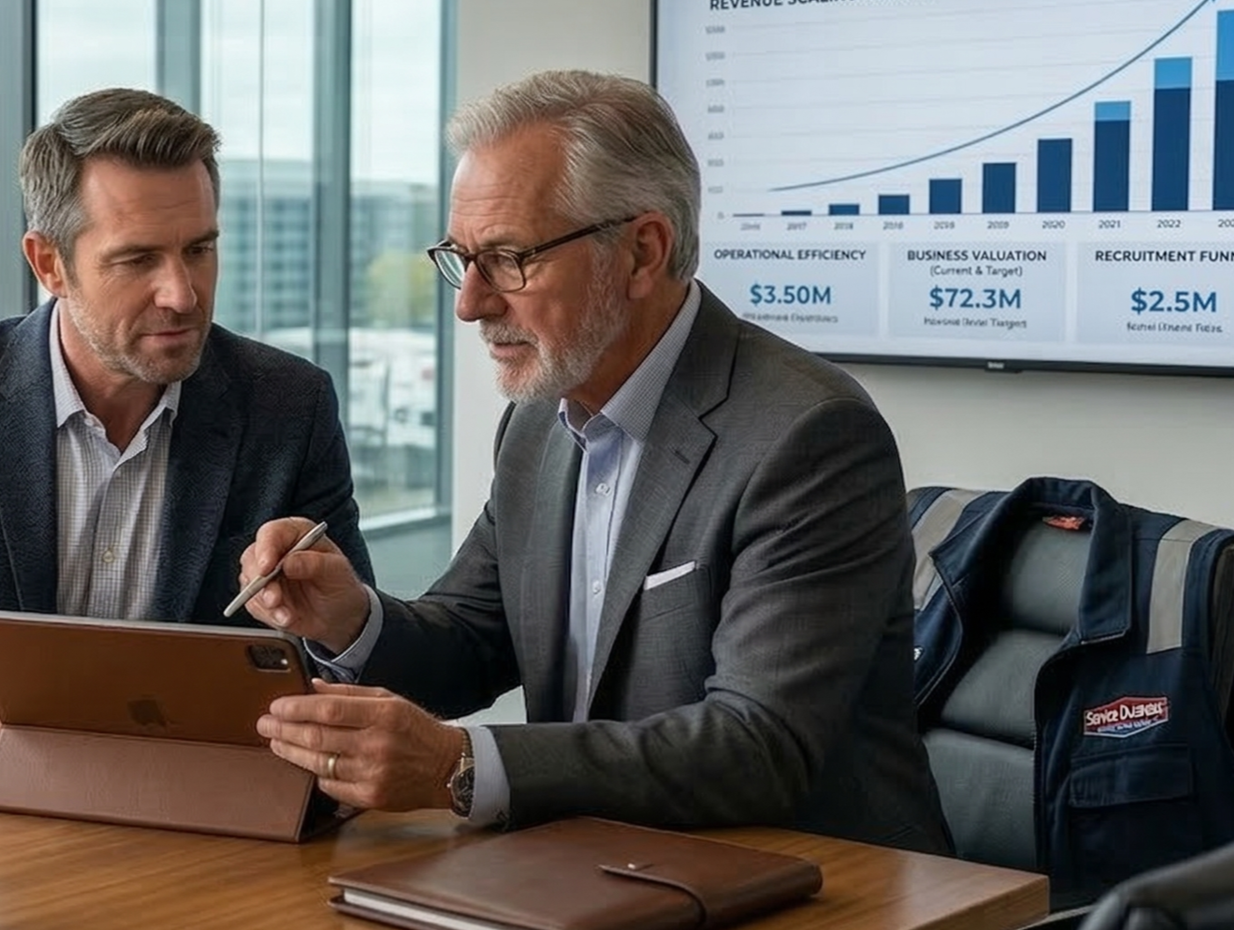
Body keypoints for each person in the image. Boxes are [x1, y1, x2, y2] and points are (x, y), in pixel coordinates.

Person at [242, 69, 948, 856]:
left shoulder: (808, 436)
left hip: (808, 894)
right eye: (461, 259)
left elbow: (758, 744)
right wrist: (348, 618)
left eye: (509, 259)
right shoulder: (538, 422)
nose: (469, 304)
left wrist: (461, 765)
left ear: (643, 252)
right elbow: (475, 639)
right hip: (592, 870)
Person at [0, 87, 372, 764]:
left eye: (199, 249)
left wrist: (337, 634)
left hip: (198, 803)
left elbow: (348, 661)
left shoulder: (288, 406)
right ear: (49, 263)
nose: (183, 294)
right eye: (138, 260)